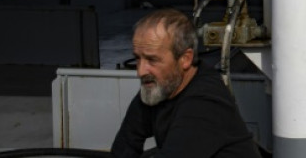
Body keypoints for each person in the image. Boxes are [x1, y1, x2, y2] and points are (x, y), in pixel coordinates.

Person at [111, 8, 261, 158]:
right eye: (138, 58)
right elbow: (124, 146)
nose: (141, 71)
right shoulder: (160, 86)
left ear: (186, 58)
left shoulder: (205, 102)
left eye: (152, 60)